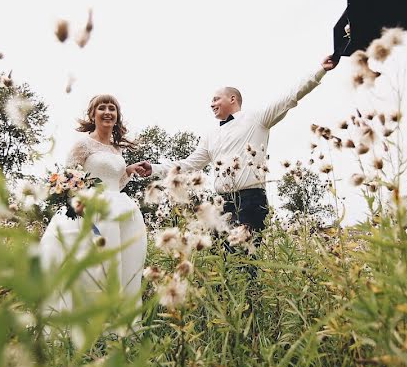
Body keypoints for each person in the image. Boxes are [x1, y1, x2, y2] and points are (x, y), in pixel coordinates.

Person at [136, 56, 337, 240]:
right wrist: (154, 168)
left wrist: (320, 70)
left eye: (216, 99)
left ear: (232, 99)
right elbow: (188, 164)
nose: (211, 104)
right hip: (221, 203)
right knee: (225, 260)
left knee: (246, 260)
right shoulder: (210, 135)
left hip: (250, 200)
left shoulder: (257, 119)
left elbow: (289, 97)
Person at [38, 94, 149, 315]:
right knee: (93, 266)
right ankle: (84, 317)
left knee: (122, 264)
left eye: (112, 108)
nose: (107, 112)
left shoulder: (117, 150)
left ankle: (116, 318)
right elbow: (70, 179)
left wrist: (128, 171)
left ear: (117, 116)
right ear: (93, 114)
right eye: (102, 108)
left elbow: (115, 183)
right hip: (91, 208)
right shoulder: (83, 144)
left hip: (120, 208)